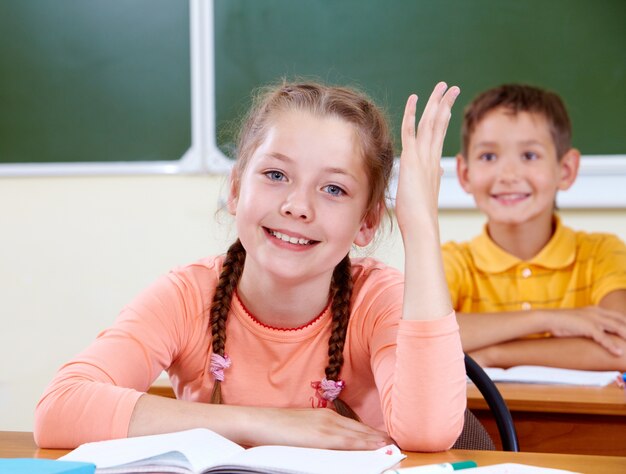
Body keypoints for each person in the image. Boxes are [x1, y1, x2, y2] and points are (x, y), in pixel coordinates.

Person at [35, 81, 466, 451]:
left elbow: (428, 433)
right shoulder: (188, 295)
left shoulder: (378, 298)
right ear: (237, 188)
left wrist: (421, 226)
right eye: (276, 175)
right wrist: (267, 423)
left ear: (367, 222)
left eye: (333, 188)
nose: (297, 206)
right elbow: (60, 408)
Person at [443, 83, 626, 371]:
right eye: (488, 157)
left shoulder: (601, 253)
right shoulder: (452, 262)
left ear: (565, 170)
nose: (508, 175)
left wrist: (495, 354)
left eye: (529, 155)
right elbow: (417, 334)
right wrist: (547, 319)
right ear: (465, 174)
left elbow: (620, 346)